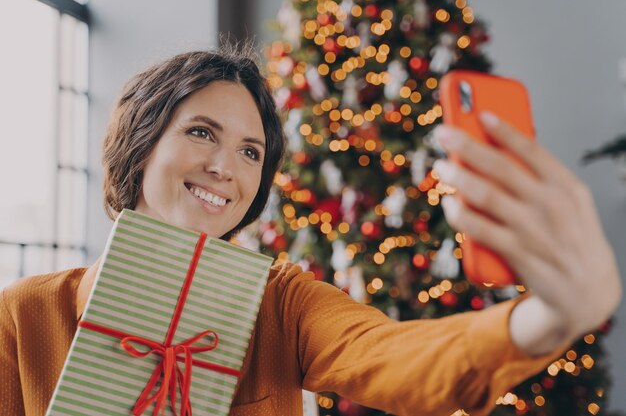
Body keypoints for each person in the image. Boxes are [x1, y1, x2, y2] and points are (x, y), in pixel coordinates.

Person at [0, 48, 622, 416]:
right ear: (139, 148)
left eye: (251, 152)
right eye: (200, 133)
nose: (226, 168)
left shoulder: (282, 301)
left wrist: (551, 316)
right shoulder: (23, 316)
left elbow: (391, 358)